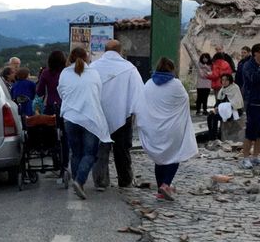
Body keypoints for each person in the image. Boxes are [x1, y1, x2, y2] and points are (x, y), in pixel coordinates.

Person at [135, 57, 197, 201]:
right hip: (172, 127)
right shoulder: (176, 85)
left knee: (160, 159)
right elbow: (184, 100)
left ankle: (160, 189)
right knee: (174, 156)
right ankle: (166, 184)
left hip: (154, 127)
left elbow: (142, 102)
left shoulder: (149, 84)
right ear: (172, 69)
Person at [58, 47, 111, 200]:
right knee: (90, 153)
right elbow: (98, 94)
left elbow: (62, 93)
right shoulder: (94, 73)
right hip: (90, 118)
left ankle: (77, 180)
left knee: (76, 153)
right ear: (87, 57)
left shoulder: (64, 74)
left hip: (70, 117)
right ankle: (80, 181)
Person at [89, 40, 143, 190]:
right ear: (120, 51)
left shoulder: (93, 67)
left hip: (98, 114)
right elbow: (138, 93)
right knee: (122, 150)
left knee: (101, 149)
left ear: (105, 50)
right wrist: (135, 113)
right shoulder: (129, 68)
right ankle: (124, 180)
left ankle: (100, 181)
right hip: (123, 116)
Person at [36, 50, 69, 169]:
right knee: (65, 137)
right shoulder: (67, 72)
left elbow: (39, 92)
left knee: (51, 136)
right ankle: (65, 163)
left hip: (50, 107)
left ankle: (55, 162)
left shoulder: (45, 73)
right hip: (65, 107)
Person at [207, 74, 244, 140]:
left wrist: (223, 108)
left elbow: (237, 103)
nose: (224, 82)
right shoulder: (222, 90)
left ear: (230, 81)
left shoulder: (234, 88)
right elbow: (218, 102)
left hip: (234, 111)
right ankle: (211, 136)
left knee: (215, 117)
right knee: (210, 116)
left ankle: (214, 137)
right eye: (223, 80)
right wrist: (216, 108)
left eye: (226, 80)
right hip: (223, 110)